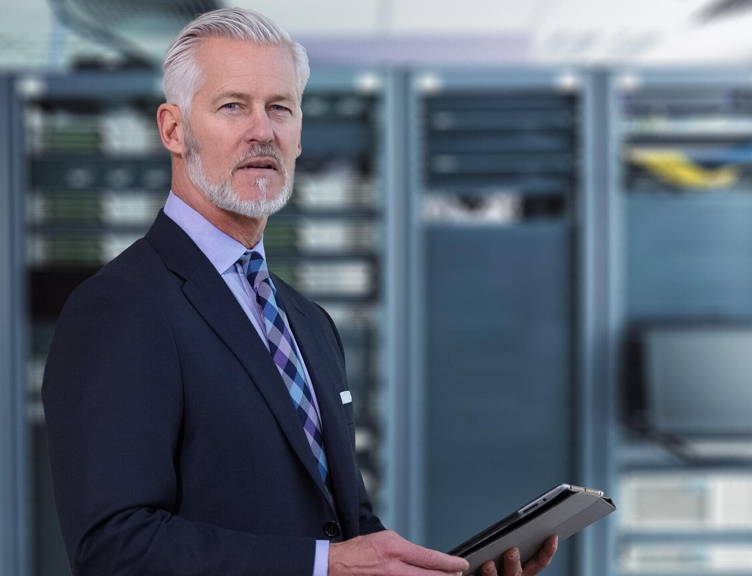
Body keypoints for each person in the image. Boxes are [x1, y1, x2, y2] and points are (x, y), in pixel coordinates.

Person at [42, 7, 557, 576]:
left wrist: (438, 572)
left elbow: (346, 530)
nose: (262, 129)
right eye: (233, 105)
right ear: (173, 128)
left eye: (280, 108)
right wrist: (324, 565)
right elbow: (114, 548)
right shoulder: (121, 308)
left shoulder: (308, 322)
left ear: (299, 134)